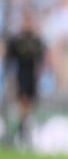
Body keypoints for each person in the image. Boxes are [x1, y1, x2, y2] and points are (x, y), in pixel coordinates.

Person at [5, 12, 45, 149]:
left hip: (32, 76)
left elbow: (41, 58)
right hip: (21, 76)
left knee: (29, 104)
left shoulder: (36, 40)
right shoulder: (17, 40)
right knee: (23, 102)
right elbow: (9, 59)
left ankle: (24, 128)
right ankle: (23, 131)